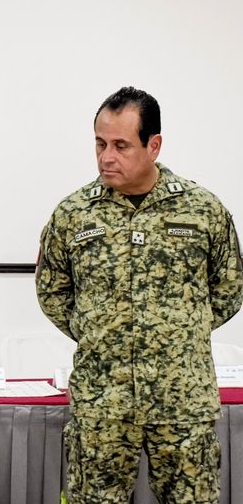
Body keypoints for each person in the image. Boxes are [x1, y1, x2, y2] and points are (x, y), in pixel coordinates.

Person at [36, 87, 243, 503]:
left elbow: (229, 287)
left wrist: (179, 331)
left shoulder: (202, 210)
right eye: (100, 143)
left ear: (154, 145)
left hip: (182, 401)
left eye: (121, 145)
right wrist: (99, 330)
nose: (106, 157)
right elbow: (52, 289)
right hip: (103, 402)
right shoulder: (73, 214)